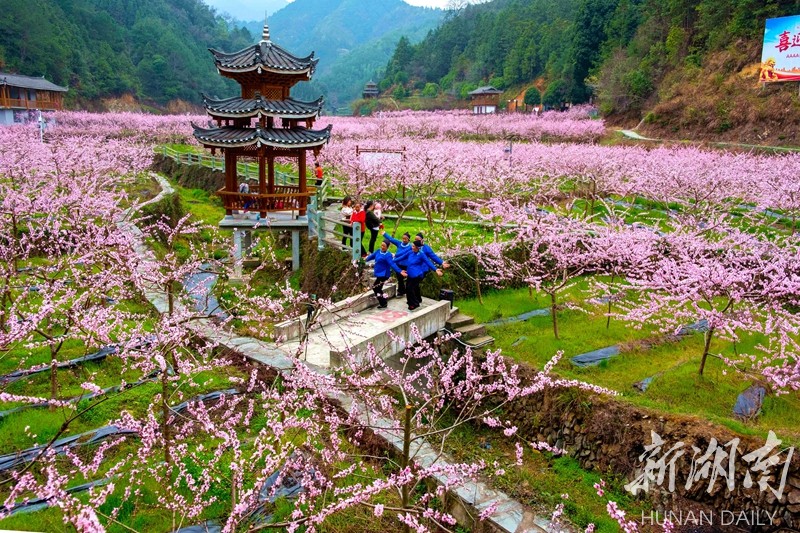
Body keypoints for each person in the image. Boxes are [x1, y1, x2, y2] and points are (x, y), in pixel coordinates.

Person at [365, 240, 406, 308]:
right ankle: (383, 302)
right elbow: (372, 256)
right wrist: (365, 259)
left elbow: (392, 264)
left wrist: (400, 271)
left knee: (375, 287)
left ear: (387, 247)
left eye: (384, 246)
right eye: (382, 245)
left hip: (384, 275)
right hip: (379, 273)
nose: (382, 247)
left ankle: (383, 303)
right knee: (377, 288)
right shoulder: (378, 251)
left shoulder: (388, 255)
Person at [403, 239, 442, 311]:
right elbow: (401, 256)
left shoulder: (421, 254)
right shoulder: (411, 252)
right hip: (410, 273)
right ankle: (412, 301)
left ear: (417, 247)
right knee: (408, 288)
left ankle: (414, 303)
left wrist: (435, 269)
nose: (412, 247)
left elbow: (428, 262)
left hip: (417, 274)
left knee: (410, 288)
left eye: (413, 246)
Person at [383, 230, 411, 297]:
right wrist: (384, 234)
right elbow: (391, 239)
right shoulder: (399, 243)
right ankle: (401, 291)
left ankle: (409, 291)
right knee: (399, 279)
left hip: (406, 265)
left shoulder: (410, 247)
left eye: (405, 239)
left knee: (409, 279)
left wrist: (395, 255)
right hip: (398, 264)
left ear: (408, 240)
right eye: (403, 238)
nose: (404, 240)